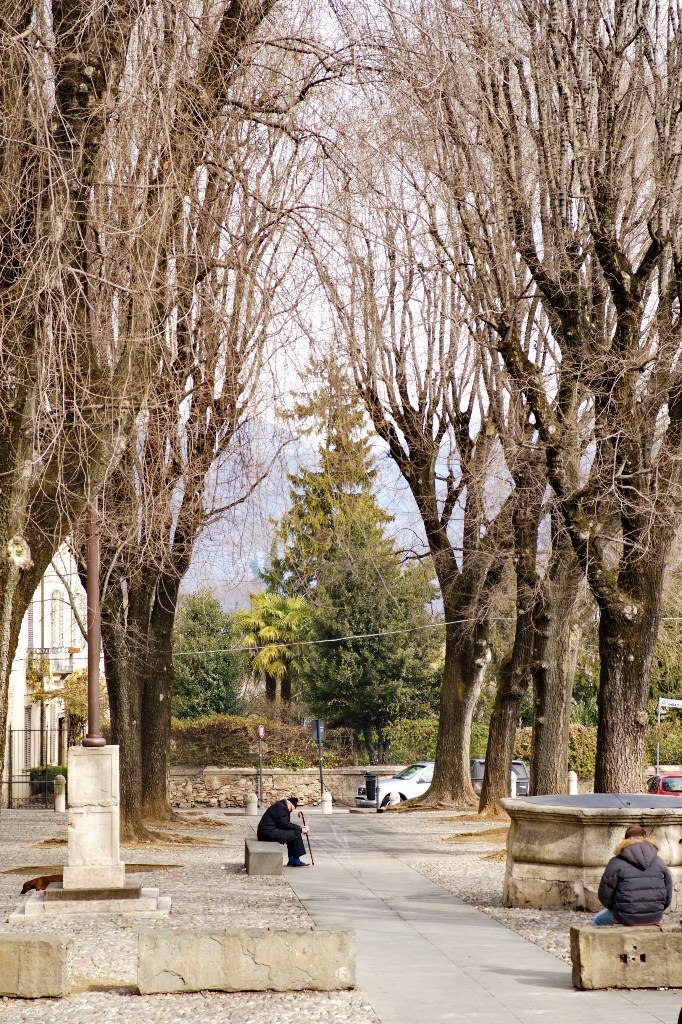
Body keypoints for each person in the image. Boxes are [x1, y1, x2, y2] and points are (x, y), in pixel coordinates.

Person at [592, 824, 672, 926]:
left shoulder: (616, 862)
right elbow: (668, 896)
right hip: (655, 916)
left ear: (625, 840)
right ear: (646, 838)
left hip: (624, 917)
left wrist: (618, 909)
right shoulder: (659, 861)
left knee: (597, 920)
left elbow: (605, 896)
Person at [257, 796, 310, 867]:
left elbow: (284, 824)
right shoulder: (281, 808)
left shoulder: (281, 806)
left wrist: (299, 828)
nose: (291, 811)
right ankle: (296, 861)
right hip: (267, 833)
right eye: (291, 809)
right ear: (289, 804)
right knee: (296, 833)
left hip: (267, 831)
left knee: (293, 833)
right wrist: (300, 829)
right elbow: (284, 825)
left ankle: (292, 860)